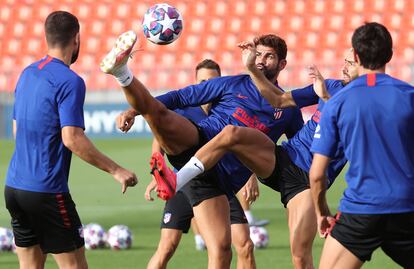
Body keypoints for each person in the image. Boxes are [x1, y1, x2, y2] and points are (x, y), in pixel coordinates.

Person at [102, 31, 303, 269]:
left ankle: (174, 179)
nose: (260, 60)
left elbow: (296, 151)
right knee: (160, 115)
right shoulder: (232, 83)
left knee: (221, 251)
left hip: (219, 181)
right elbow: (180, 97)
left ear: (282, 64)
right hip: (199, 143)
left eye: (268, 56)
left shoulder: (288, 109)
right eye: (257, 54)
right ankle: (123, 72)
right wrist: (132, 112)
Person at [150, 43, 359, 269]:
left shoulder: (363, 105)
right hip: (283, 158)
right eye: (345, 61)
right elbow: (279, 100)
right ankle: (176, 179)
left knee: (299, 255)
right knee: (231, 134)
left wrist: (328, 100)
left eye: (351, 63)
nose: (344, 67)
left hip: (307, 183)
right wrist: (251, 68)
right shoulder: (329, 84)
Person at [4, 11, 138, 269]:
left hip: (15, 188)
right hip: (46, 191)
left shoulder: (27, 73)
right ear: (76, 39)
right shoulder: (70, 81)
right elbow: (72, 138)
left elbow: (16, 129)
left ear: (47, 37)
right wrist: (116, 170)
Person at [309, 22, 414, 269]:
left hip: (360, 211)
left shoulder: (337, 103)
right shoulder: (409, 96)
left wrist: (322, 212)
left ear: (355, 56)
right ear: (390, 54)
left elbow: (316, 175)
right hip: (406, 207)